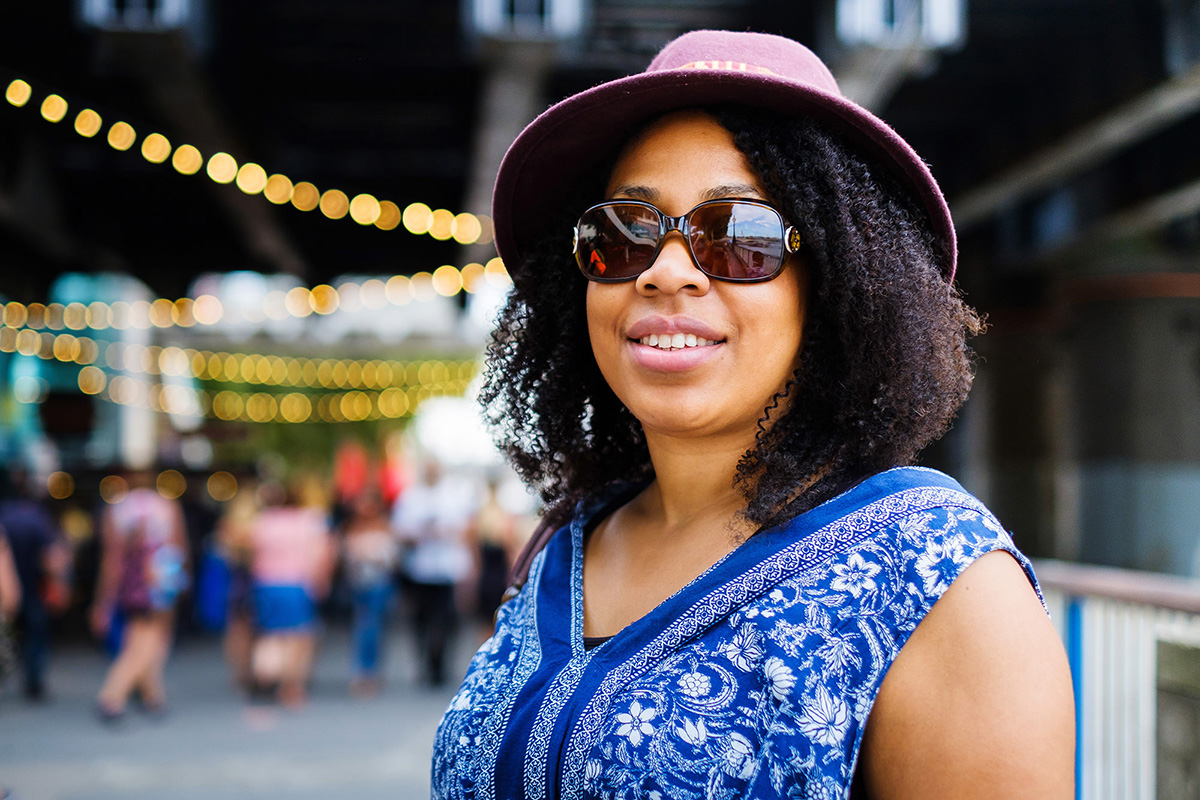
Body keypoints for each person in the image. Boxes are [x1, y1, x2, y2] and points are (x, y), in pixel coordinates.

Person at [432, 30, 1074, 799]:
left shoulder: (939, 580)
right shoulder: (565, 542)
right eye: (624, 233)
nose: (668, 271)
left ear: (836, 283)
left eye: (738, 236)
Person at [91, 470, 190, 722]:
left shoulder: (117, 510)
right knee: (147, 644)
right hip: (159, 586)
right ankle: (112, 696)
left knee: (141, 642)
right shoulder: (167, 506)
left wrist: (104, 599)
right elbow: (179, 548)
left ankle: (151, 695)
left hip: (132, 586)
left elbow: (111, 561)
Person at [247, 483, 335, 707]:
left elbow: (249, 551)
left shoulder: (262, 521)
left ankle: (265, 671)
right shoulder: (310, 520)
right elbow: (321, 554)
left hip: (265, 583)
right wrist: (321, 581)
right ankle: (291, 685)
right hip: (297, 583)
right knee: (299, 637)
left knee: (271, 634)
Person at [391, 459, 473, 686]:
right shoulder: (409, 497)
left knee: (447, 620)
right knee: (420, 620)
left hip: (448, 569)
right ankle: (424, 663)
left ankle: (441, 665)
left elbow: (467, 529)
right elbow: (399, 531)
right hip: (419, 569)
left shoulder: (455, 494)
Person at [0, 470, 66, 702]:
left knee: (9, 636)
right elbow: (51, 558)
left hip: (6, 593)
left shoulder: (3, 516)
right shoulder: (37, 517)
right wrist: (59, 583)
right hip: (32, 588)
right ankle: (33, 683)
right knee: (35, 637)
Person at [340, 489, 400, 696]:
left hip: (378, 583)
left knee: (372, 626)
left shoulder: (385, 527)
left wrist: (371, 556)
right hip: (358, 583)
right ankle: (364, 670)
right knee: (363, 626)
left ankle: (369, 670)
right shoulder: (351, 528)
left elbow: (392, 559)